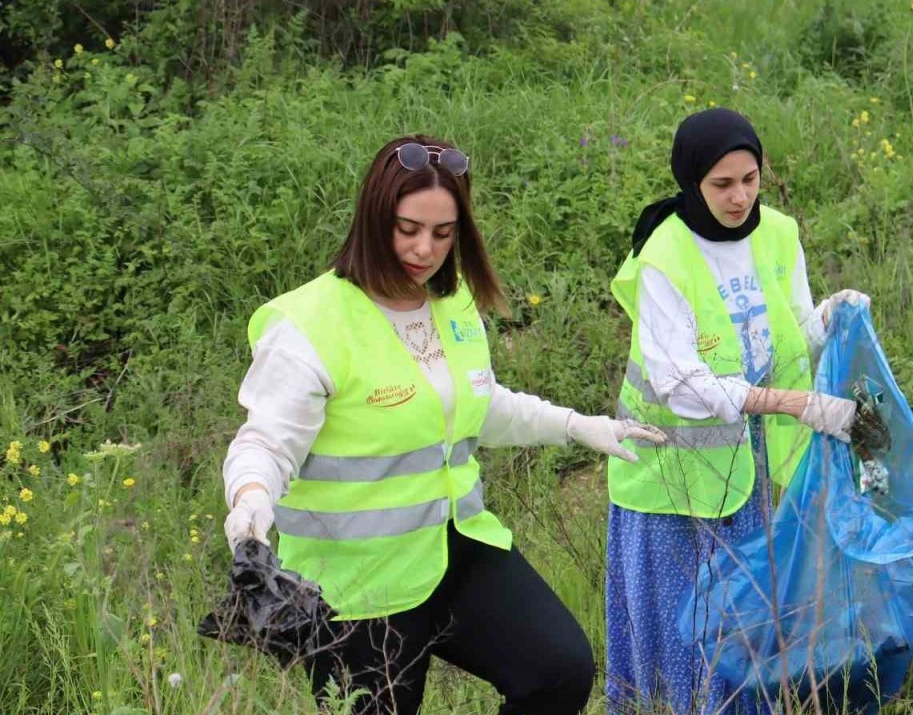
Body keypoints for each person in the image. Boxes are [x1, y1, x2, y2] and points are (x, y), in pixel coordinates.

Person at [220, 134, 665, 715]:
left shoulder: (449, 303)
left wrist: (578, 426)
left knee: (558, 673)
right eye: (408, 229)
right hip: (357, 591)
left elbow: (475, 405)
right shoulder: (309, 326)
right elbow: (265, 442)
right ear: (373, 216)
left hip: (454, 552)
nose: (425, 249)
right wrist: (250, 503)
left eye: (443, 233)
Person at [604, 108, 870, 714]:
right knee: (688, 632)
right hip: (670, 479)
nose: (739, 197)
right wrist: (796, 405)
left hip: (745, 470)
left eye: (750, 179)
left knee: (745, 624)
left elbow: (793, 331)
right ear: (692, 181)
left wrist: (832, 315)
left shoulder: (776, 232)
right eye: (722, 184)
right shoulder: (665, 254)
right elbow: (681, 384)